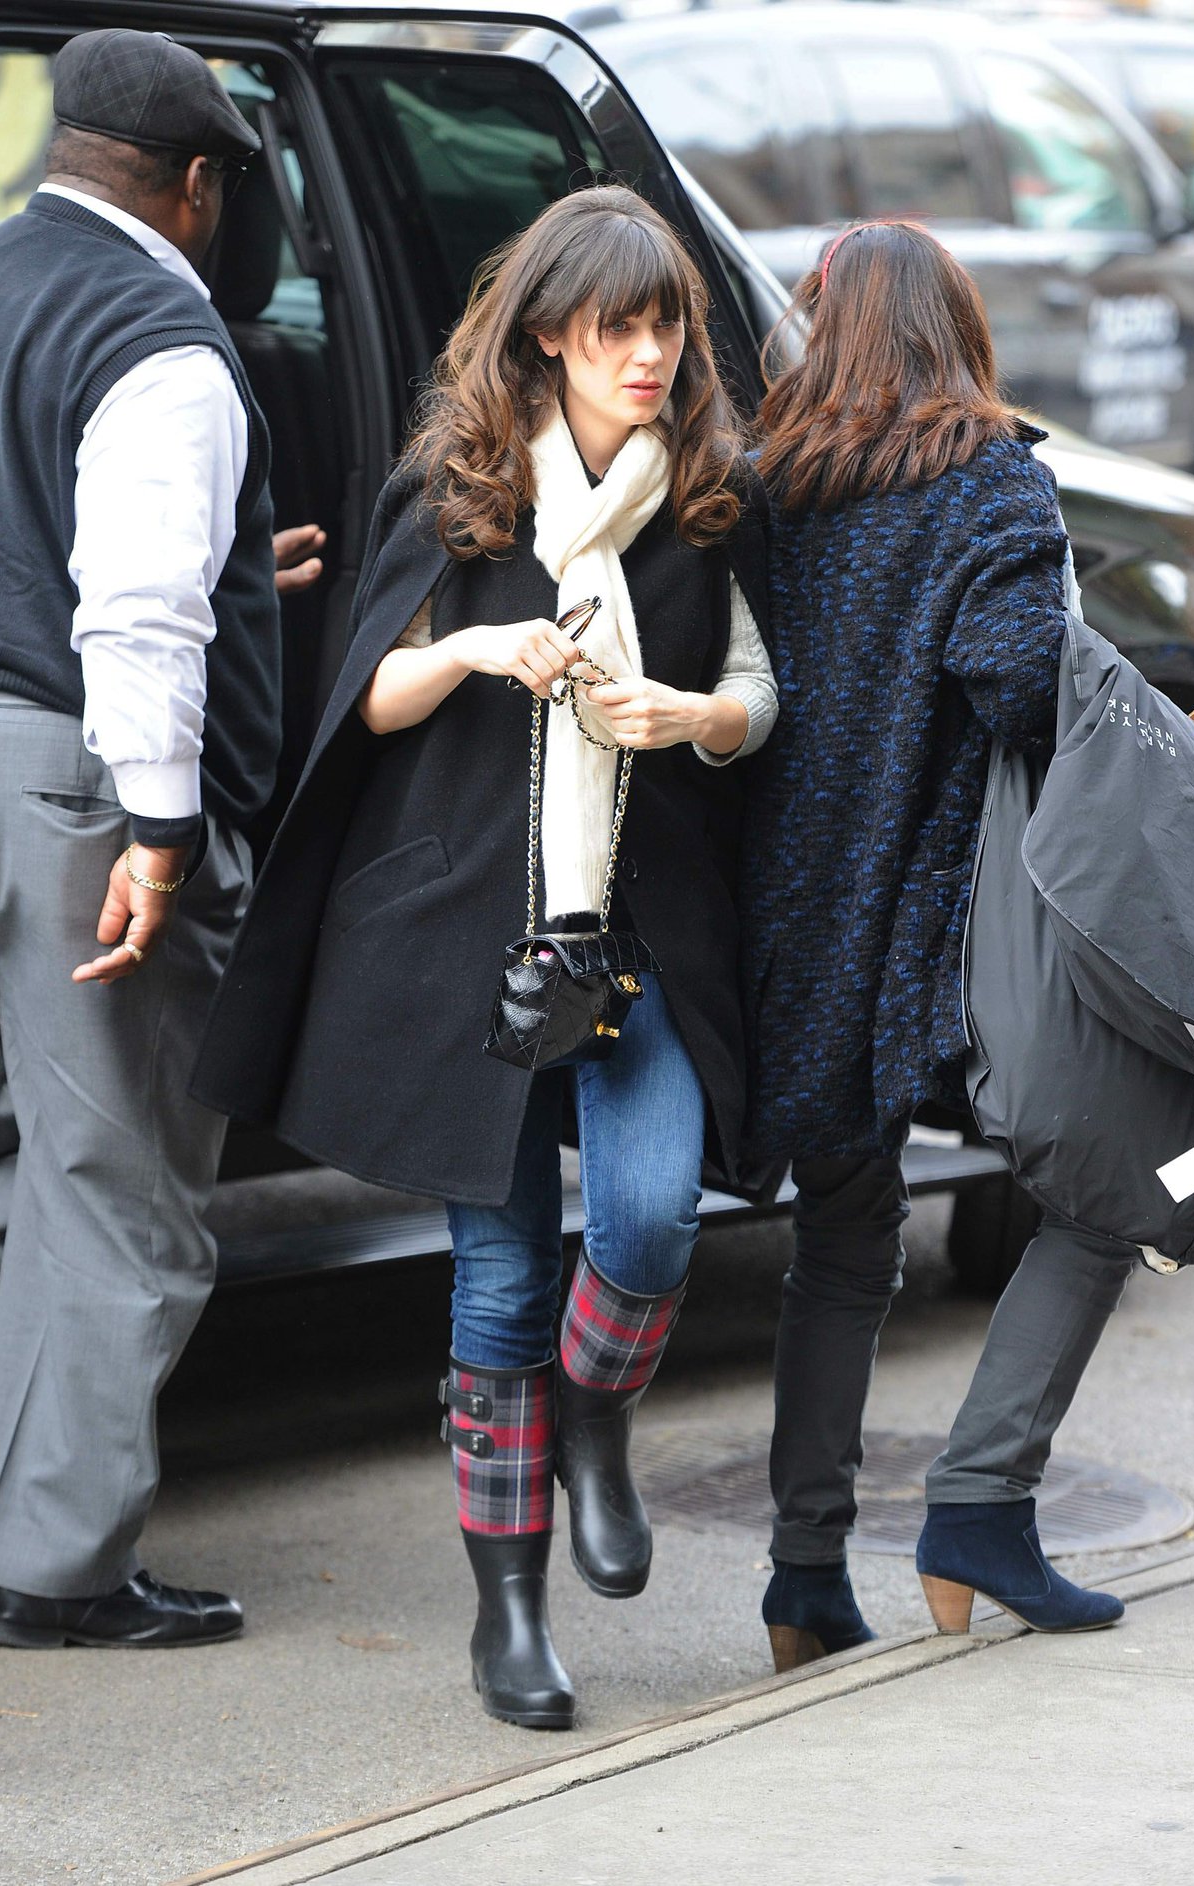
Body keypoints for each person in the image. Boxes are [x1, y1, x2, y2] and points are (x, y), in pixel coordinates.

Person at [192, 184, 776, 1728]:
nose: (648, 355)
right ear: (546, 339)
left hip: (636, 949)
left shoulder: (707, 494)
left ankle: (595, 1418)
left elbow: (755, 686)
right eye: (615, 329)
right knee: (500, 1282)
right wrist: (466, 648)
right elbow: (363, 701)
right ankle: (507, 1621)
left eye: (665, 327)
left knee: (648, 1226)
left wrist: (696, 718)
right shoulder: (457, 496)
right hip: (473, 951)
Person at [742, 220, 1131, 1670]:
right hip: (945, 939)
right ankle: (977, 1504)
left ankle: (802, 1575)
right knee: (1108, 1188)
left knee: (841, 1241)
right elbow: (1017, 676)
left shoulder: (765, 486)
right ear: (958, 328)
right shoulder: (989, 479)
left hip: (798, 933)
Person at [0, 28, 305, 1649]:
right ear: (192, 183)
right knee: (120, 1188)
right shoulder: (160, 326)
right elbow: (136, 605)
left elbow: (27, 532)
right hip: (75, 792)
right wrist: (162, 829)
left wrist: (250, 575)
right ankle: (57, 1573)